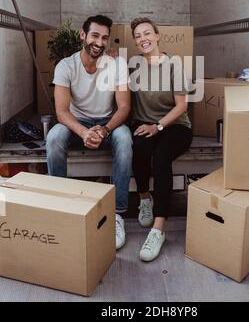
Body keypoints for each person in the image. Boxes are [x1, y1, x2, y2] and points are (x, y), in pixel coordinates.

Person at [46, 15, 132, 250]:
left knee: (124, 138)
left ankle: (117, 213)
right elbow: (62, 112)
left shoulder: (117, 65)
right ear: (83, 35)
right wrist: (84, 132)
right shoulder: (66, 65)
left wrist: (104, 130)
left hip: (106, 122)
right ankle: (60, 207)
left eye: (104, 37)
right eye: (95, 35)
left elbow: (124, 107)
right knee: (53, 137)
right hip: (76, 123)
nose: (100, 42)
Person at [129, 17, 193, 262]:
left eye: (147, 33)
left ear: (157, 36)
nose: (143, 39)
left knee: (162, 157)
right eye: (138, 35)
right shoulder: (133, 65)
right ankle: (145, 198)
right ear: (135, 41)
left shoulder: (174, 64)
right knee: (139, 147)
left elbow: (181, 106)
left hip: (175, 125)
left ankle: (158, 228)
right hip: (143, 123)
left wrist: (158, 126)